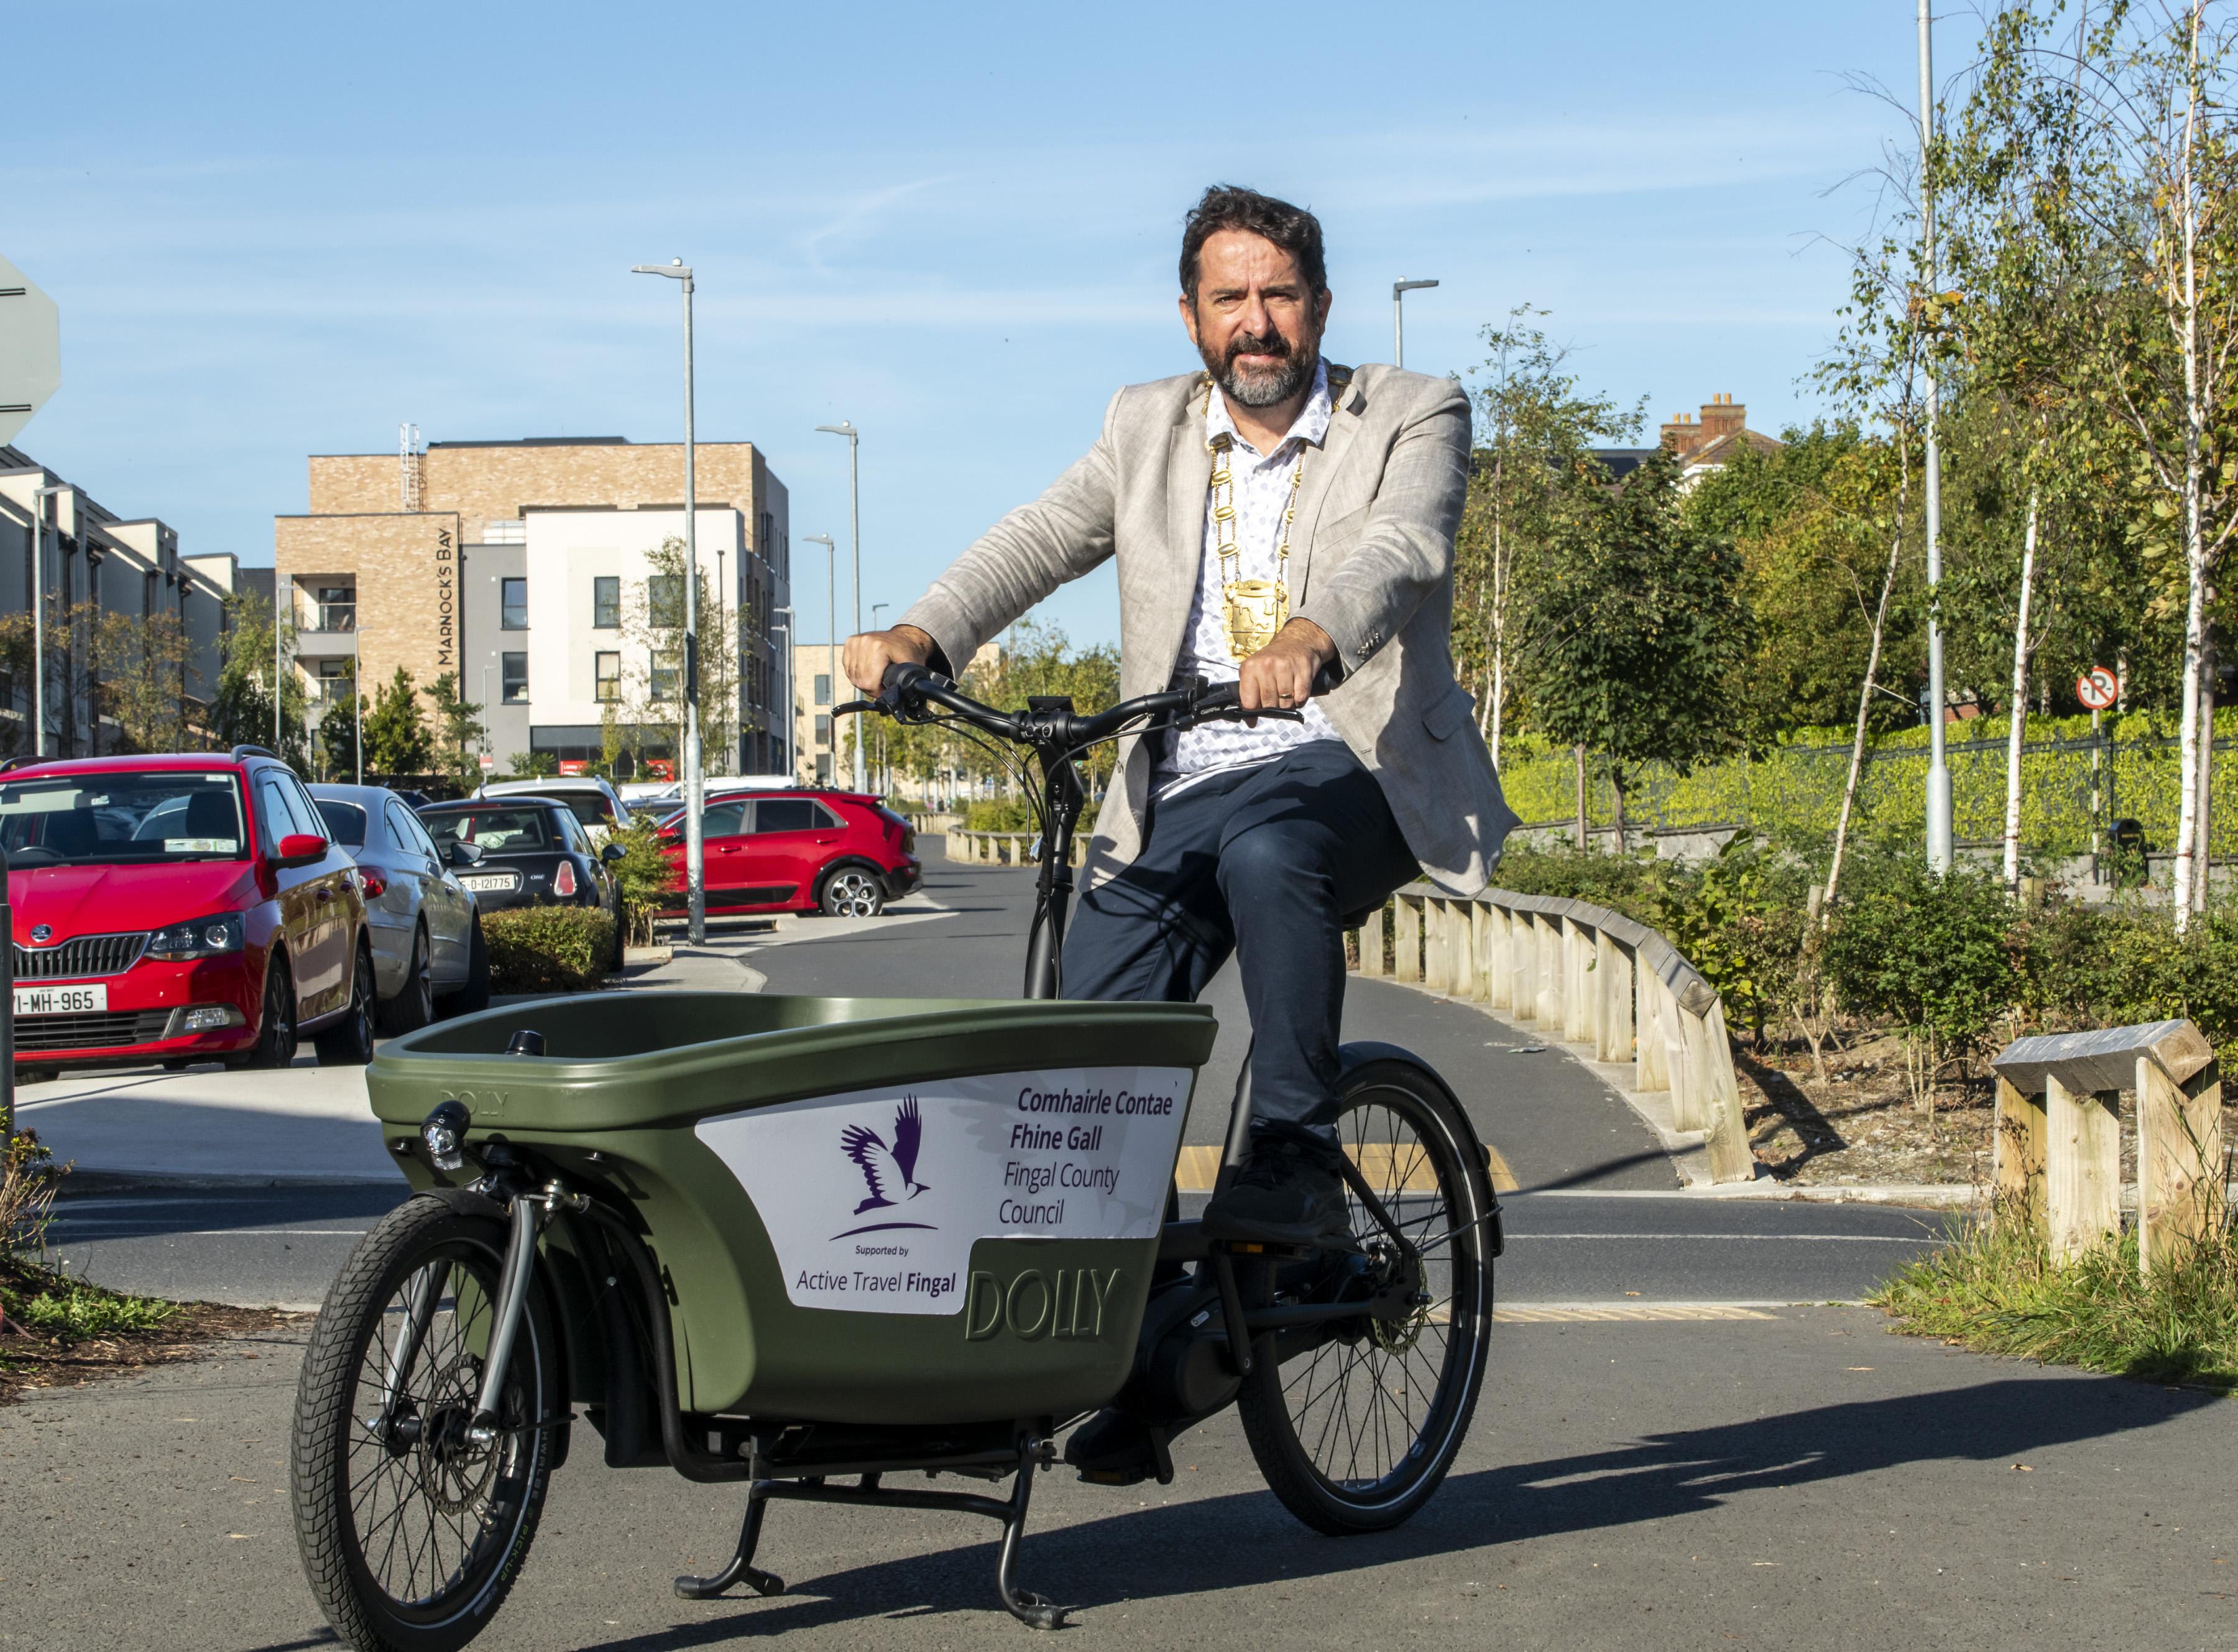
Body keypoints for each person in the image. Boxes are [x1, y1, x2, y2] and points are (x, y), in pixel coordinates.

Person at [844, 185, 1517, 1474]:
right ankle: (1141, 1355)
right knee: (1089, 1058)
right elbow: (1041, 537)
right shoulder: (1145, 426)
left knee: (1276, 852)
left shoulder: (1410, 410)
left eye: (1277, 296)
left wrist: (1315, 635)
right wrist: (922, 633)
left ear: (1318, 304)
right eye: (1229, 300)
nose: (1254, 325)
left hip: (1351, 763)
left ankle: (1299, 1161)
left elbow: (1402, 543)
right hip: (1181, 779)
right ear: (1190, 314)